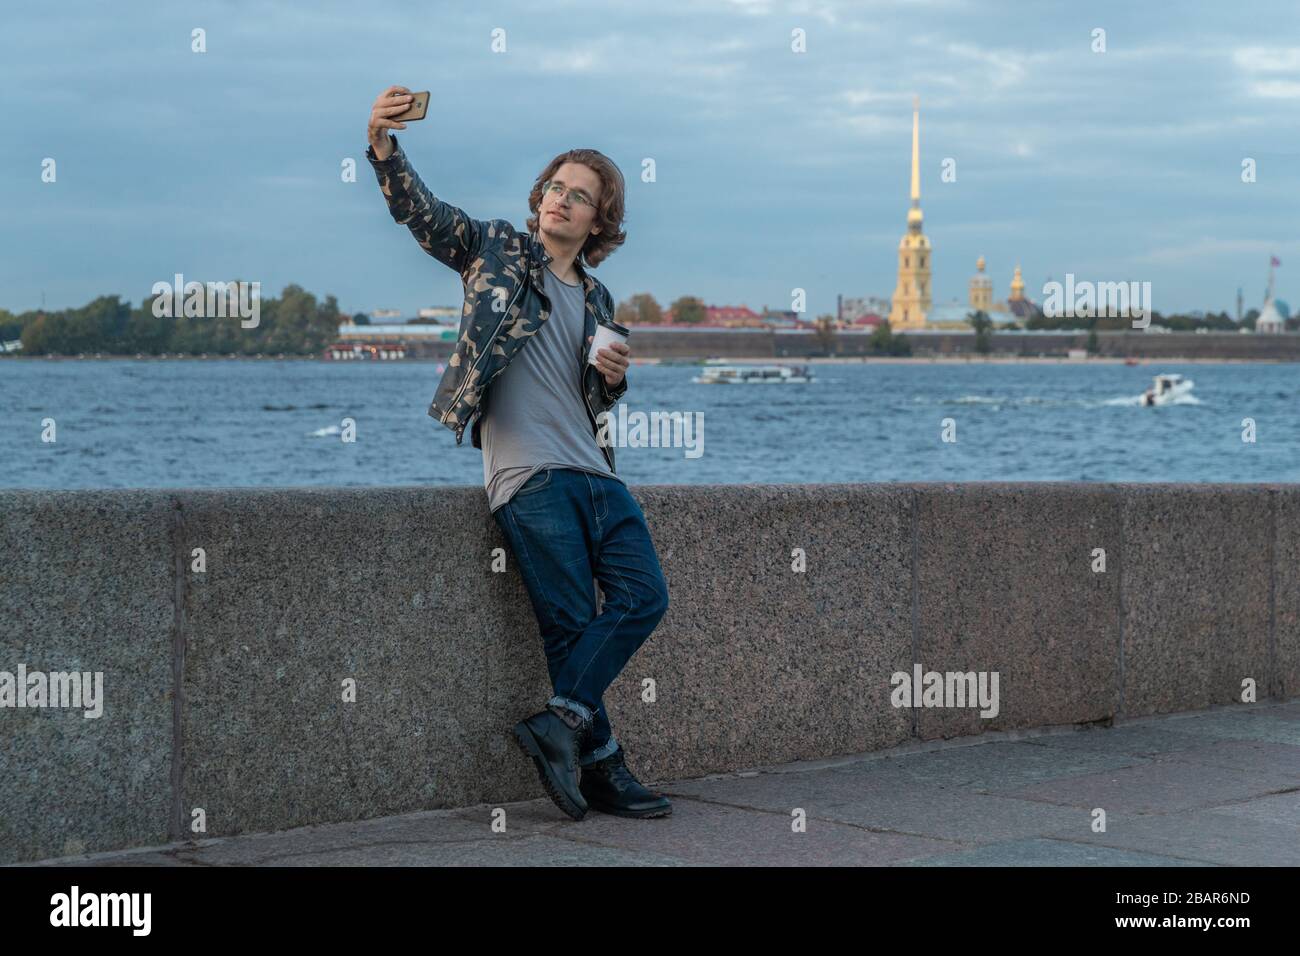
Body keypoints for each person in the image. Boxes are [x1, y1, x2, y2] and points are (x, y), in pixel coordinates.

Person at [365, 86, 671, 820]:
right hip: (528, 477)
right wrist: (382, 144)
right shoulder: (497, 250)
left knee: (645, 597)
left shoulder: (598, 300)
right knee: (569, 625)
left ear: (601, 219)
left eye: (580, 196)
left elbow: (588, 403)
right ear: (539, 199)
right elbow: (424, 215)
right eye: (555, 188)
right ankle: (606, 766)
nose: (561, 201)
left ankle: (561, 726)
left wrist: (614, 384)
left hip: (598, 475)